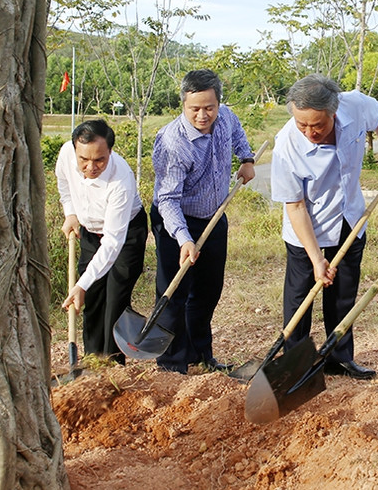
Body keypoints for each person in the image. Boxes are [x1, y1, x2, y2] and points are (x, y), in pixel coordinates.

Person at [271, 74, 378, 380]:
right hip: (306, 229)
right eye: (302, 124)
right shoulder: (286, 147)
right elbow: (295, 206)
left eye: (317, 125)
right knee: (299, 299)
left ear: (334, 112)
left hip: (349, 217)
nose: (309, 132)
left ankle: (339, 357)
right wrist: (317, 257)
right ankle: (296, 364)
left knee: (344, 293)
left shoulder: (354, 105)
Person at [151, 69, 256, 374]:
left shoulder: (226, 118)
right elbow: (168, 199)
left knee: (208, 291)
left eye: (209, 108)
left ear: (218, 103)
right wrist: (183, 238)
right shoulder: (173, 142)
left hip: (214, 216)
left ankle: (200, 355)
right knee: (174, 293)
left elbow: (237, 134)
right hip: (176, 221)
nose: (202, 115)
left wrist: (246, 159)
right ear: (183, 104)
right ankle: (172, 364)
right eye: (194, 108)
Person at [56, 119, 148, 365]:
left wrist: (81, 284)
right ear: (75, 149)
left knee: (115, 296)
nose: (90, 167)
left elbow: (112, 243)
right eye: (83, 160)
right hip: (89, 230)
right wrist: (71, 213)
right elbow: (64, 184)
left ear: (110, 152)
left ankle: (112, 364)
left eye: (99, 160)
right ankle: (91, 361)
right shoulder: (66, 154)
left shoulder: (121, 180)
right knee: (93, 297)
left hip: (125, 235)